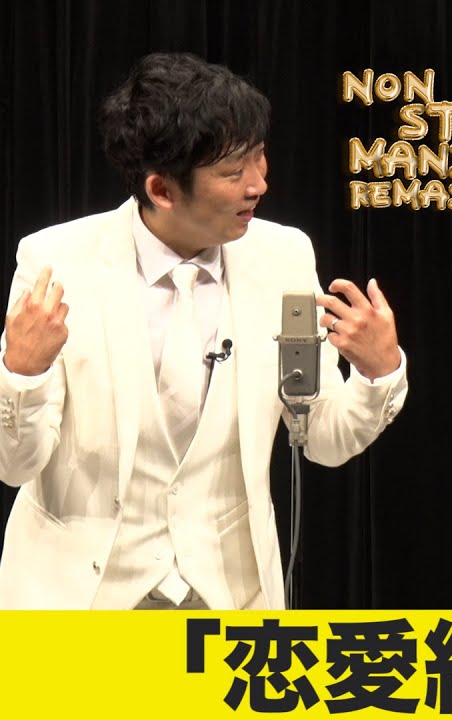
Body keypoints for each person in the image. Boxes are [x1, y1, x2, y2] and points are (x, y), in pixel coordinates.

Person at [0, 52, 408, 609]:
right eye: (233, 173)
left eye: (259, 156)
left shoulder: (283, 257)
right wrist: (23, 373)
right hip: (83, 597)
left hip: (230, 595)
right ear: (162, 190)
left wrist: (379, 374)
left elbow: (322, 438)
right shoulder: (57, 261)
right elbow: (16, 463)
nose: (259, 184)